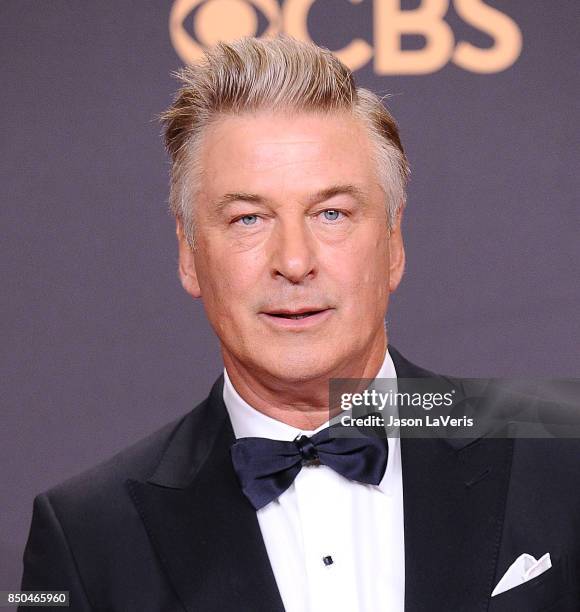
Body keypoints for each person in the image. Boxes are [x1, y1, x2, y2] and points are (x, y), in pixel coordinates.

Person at [20, 35, 580, 611]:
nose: (293, 261)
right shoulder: (86, 538)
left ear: (393, 242)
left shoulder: (561, 455)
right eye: (248, 219)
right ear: (189, 252)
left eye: (331, 213)